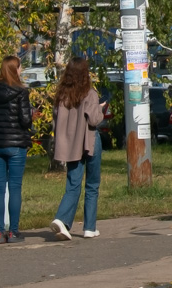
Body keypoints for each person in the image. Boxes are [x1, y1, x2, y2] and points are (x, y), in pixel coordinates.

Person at [49, 57, 105, 241]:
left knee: (73, 184)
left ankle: (62, 220)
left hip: (72, 144)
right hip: (90, 141)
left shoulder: (62, 95)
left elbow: (56, 120)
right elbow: (94, 120)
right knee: (92, 184)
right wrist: (101, 109)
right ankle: (89, 227)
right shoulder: (90, 94)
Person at [0, 55, 33, 244]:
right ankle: (13, 232)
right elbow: (25, 120)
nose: (21, 70)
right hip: (16, 145)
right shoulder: (21, 92)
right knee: (14, 188)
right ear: (15, 69)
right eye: (20, 67)